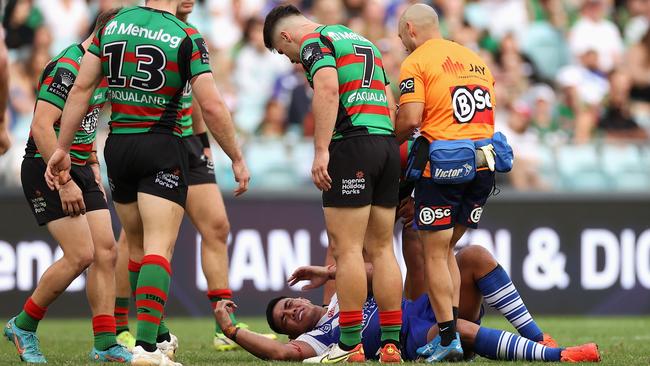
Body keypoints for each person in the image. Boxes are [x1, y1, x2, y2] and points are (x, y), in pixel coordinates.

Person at [44, 1, 250, 365]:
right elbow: (212, 105)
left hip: (119, 146)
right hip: (163, 145)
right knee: (159, 246)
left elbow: (80, 90)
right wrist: (235, 155)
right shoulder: (186, 34)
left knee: (135, 246)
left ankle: (149, 336)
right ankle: (147, 349)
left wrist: (63, 147)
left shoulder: (114, 24)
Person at [112, 0, 271, 353]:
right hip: (156, 141)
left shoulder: (193, 36)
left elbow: (199, 100)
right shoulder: (151, 31)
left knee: (217, 227)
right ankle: (123, 325)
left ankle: (222, 324)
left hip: (188, 144)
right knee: (134, 239)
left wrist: (205, 146)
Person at [263, 5, 403, 363]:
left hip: (351, 144)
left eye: (285, 53)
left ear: (285, 36)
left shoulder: (313, 40)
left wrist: (322, 150)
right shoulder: (359, 39)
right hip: (385, 142)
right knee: (383, 248)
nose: (293, 61)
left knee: (348, 250)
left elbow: (327, 87)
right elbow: (389, 103)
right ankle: (390, 345)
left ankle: (350, 344)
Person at [210, 246, 601, 363]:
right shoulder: (315, 342)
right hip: (415, 337)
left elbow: (371, 271)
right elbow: (278, 353)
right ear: (291, 330)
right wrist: (233, 330)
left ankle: (539, 337)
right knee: (458, 330)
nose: (292, 310)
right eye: (285, 317)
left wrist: (330, 273)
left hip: (424, 305)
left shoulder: (335, 300)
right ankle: (560, 357)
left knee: (475, 257)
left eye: (289, 303)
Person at [3, 9, 132, 364]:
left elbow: (85, 124)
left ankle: (105, 344)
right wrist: (64, 182)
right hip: (45, 167)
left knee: (107, 252)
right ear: (106, 35)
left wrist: (91, 166)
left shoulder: (104, 70)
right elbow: (43, 127)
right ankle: (23, 325)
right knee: (82, 255)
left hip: (81, 168)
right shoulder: (68, 66)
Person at [394, 3, 505, 361]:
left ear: (411, 29)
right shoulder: (475, 60)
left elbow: (411, 119)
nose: (404, 46)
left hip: (444, 168)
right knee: (446, 253)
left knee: (434, 254)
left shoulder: (418, 61)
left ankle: (448, 339)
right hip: (485, 164)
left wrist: (383, 142)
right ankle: (453, 331)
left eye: (401, 38)